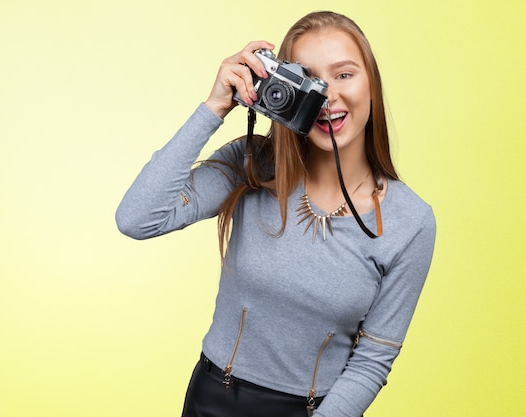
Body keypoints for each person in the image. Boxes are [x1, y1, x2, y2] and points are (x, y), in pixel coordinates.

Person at [116, 10, 436, 417]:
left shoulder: (411, 221)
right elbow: (137, 218)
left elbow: (372, 359)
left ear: (371, 82)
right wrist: (214, 107)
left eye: (343, 75)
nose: (327, 97)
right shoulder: (251, 163)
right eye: (310, 81)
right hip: (211, 400)